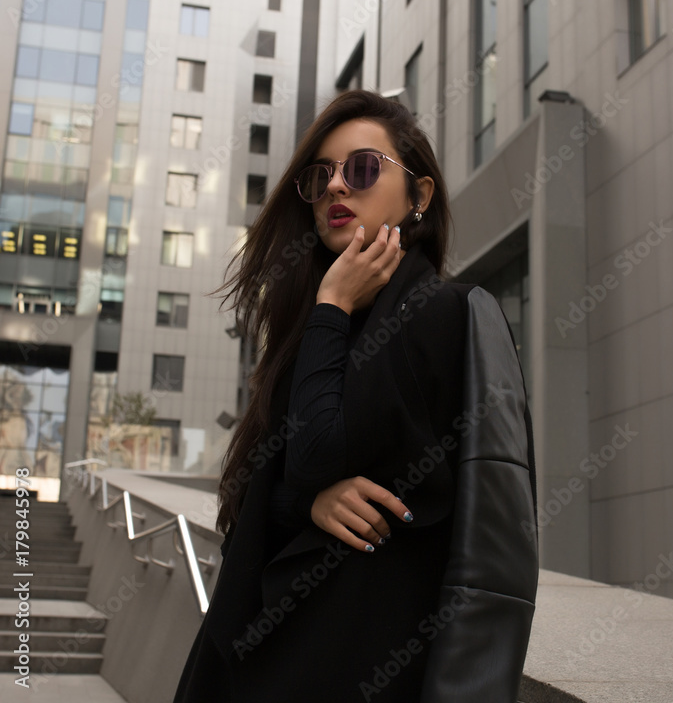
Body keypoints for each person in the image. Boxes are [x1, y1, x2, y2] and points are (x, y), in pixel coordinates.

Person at [172, 89, 539, 702]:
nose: (337, 186)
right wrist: (309, 501)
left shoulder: (449, 314)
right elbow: (254, 499)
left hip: (373, 661)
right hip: (271, 657)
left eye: (364, 168)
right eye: (321, 176)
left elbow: (321, 455)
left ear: (419, 196)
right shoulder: (314, 329)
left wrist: (333, 302)